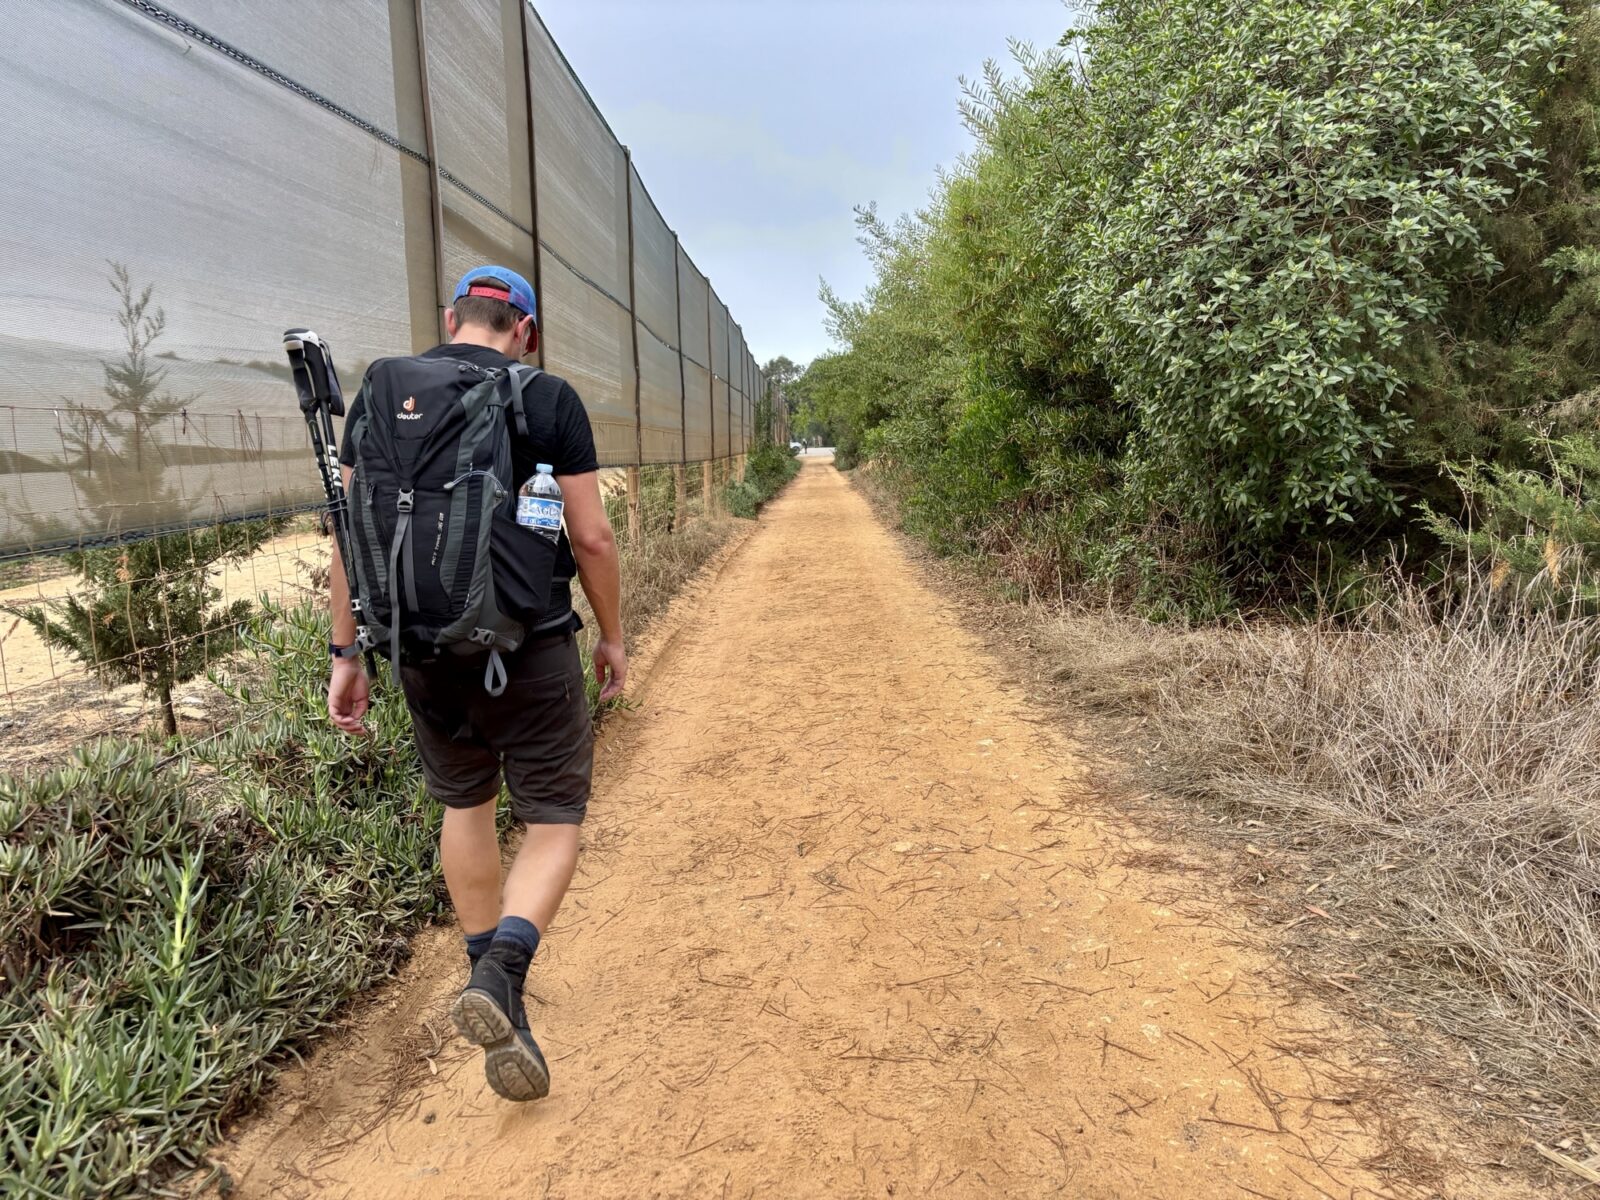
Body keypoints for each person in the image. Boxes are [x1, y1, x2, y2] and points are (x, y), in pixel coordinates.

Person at [325, 265, 626, 1102]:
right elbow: (593, 538)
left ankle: (492, 984)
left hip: (421, 654)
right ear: (523, 330)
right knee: (555, 820)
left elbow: (348, 539)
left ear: (451, 317)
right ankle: (502, 975)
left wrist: (345, 655)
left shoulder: (382, 395)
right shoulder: (545, 399)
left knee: (467, 808)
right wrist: (612, 636)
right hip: (529, 650)